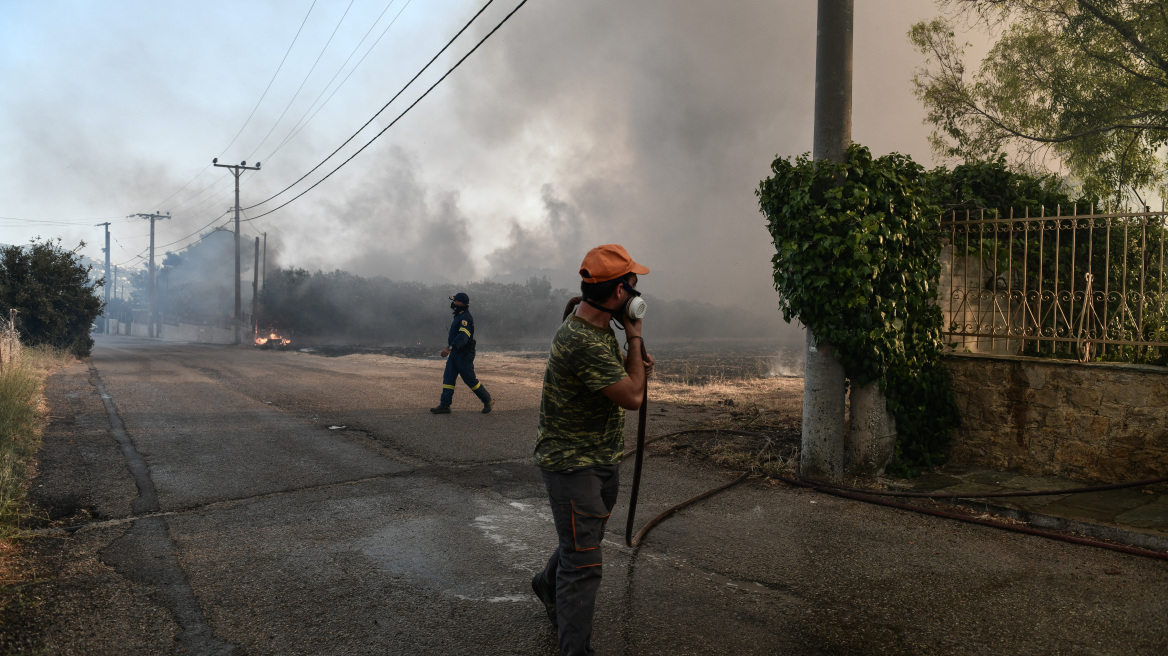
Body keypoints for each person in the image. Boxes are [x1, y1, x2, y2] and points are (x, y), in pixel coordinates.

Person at [530, 244, 654, 656]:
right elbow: (633, 397)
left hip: (602, 458)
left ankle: (546, 582)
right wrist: (635, 339)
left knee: (584, 540)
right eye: (633, 286)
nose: (638, 297)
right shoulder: (581, 338)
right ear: (620, 294)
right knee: (583, 567)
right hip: (573, 465)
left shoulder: (599, 329)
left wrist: (632, 354)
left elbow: (622, 379)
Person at [430, 292, 492, 414]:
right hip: (455, 353)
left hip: (464, 354)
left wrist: (450, 348)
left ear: (461, 303)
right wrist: (451, 349)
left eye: (455, 301)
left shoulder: (465, 318)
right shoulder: (459, 315)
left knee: (470, 380)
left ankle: (487, 400)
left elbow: (463, 336)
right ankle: (445, 405)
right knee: (448, 378)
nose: (453, 303)